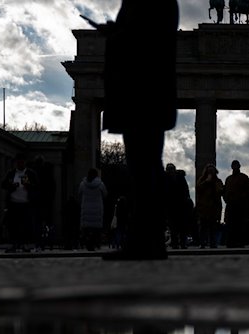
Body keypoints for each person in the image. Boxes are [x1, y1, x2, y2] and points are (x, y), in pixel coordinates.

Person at [97, 0, 179, 260]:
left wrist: (115, 34)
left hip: (141, 93)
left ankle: (146, 241)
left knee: (143, 168)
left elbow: (142, 42)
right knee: (147, 167)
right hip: (149, 93)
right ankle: (148, 239)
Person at [1, 154, 36, 252]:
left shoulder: (30, 173)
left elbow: (37, 186)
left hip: (25, 203)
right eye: (18, 162)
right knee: (13, 225)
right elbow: (3, 184)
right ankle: (14, 244)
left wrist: (28, 185)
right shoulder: (11, 173)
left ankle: (24, 244)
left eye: (22, 162)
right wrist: (12, 185)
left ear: (25, 162)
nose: (20, 164)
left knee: (25, 225)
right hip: (13, 203)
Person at [223, 159, 249, 247]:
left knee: (240, 224)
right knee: (231, 224)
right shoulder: (229, 179)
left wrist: (243, 199)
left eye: (236, 165)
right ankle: (231, 242)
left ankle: (240, 242)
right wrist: (227, 199)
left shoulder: (243, 177)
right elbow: (225, 191)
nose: (235, 167)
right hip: (231, 204)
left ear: (239, 166)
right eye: (234, 165)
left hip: (240, 205)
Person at [78, 168, 108, 251]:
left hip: (86, 210)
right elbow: (105, 194)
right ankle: (95, 242)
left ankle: (87, 241)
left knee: (86, 229)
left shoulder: (82, 184)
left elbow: (79, 194)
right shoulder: (101, 184)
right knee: (96, 229)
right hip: (97, 210)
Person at [194, 164, 224, 248]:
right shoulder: (202, 180)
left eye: (212, 170)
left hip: (214, 207)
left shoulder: (218, 181)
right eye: (209, 170)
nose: (211, 172)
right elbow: (198, 189)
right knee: (203, 227)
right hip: (203, 207)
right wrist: (206, 181)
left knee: (213, 227)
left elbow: (220, 191)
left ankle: (212, 243)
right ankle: (202, 243)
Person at [165, 163, 192, 249]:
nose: (170, 170)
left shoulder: (180, 177)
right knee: (173, 227)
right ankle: (175, 243)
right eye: (168, 169)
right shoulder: (165, 178)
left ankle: (183, 243)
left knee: (182, 227)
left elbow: (186, 189)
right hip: (170, 206)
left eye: (171, 169)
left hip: (181, 205)